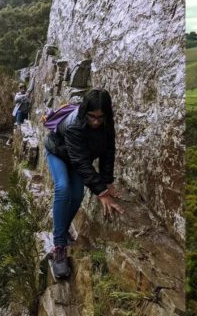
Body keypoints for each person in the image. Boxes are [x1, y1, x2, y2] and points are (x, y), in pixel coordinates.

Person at [44, 89, 124, 279]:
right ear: (84, 112)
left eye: (100, 117)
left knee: (78, 196)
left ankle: (61, 228)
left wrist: (106, 180)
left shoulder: (107, 124)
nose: (96, 122)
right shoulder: (74, 125)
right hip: (58, 152)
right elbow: (80, 162)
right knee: (63, 188)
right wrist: (102, 192)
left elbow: (108, 152)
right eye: (92, 117)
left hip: (78, 158)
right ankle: (59, 248)